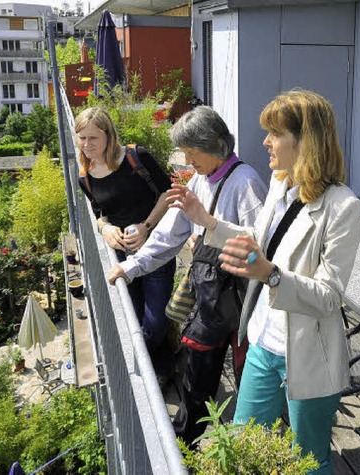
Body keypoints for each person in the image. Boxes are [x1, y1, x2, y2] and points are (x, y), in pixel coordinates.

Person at [168, 90, 360, 474]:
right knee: (241, 444)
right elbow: (257, 241)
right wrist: (207, 221)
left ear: (304, 141)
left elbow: (328, 296)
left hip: (306, 355)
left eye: (275, 133)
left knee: (308, 461)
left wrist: (270, 274)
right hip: (261, 340)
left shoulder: (343, 207)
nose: (265, 142)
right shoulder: (279, 184)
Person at [107, 105, 267, 445]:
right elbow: (167, 235)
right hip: (211, 299)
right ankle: (185, 444)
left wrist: (209, 234)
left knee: (245, 378)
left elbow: (259, 247)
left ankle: (245, 445)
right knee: (197, 373)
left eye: (193, 154)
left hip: (241, 302)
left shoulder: (246, 182)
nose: (188, 162)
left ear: (217, 146)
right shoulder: (200, 179)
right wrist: (131, 267)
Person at [75, 107, 176, 383]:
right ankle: (162, 367)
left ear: (109, 135)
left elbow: (169, 193)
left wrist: (146, 226)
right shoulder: (85, 175)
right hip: (121, 255)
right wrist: (105, 227)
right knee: (136, 314)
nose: (87, 145)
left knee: (154, 320)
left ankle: (148, 370)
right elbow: (98, 212)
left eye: (93, 138)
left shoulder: (135, 157)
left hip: (155, 248)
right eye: (81, 138)